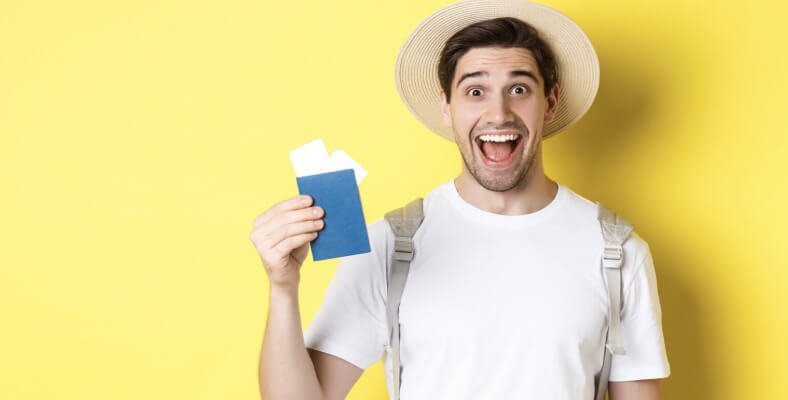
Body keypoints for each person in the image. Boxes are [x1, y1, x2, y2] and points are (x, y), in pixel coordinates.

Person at [252, 1, 670, 399]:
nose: (499, 113)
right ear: (447, 107)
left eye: (519, 88)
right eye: (475, 92)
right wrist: (284, 288)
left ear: (550, 103)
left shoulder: (616, 252)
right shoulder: (390, 246)